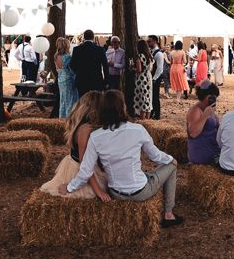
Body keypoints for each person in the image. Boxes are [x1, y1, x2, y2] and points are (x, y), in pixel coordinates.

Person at [59, 91, 183, 227]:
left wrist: (69, 187)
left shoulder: (96, 136)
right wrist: (171, 159)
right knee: (171, 166)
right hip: (140, 192)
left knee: (147, 174)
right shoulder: (138, 129)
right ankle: (169, 214)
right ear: (123, 107)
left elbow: (85, 171)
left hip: (116, 193)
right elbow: (156, 156)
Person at [40, 91, 109, 200]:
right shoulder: (85, 129)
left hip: (82, 164)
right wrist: (99, 191)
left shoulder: (87, 125)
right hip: (81, 169)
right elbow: (84, 163)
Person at [186, 80, 221, 164]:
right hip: (203, 153)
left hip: (212, 148)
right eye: (212, 96)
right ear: (206, 96)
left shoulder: (208, 108)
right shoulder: (195, 111)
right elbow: (193, 133)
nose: (215, 99)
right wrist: (205, 115)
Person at [69, 29, 109, 96]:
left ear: (84, 37)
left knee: (83, 102)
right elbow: (105, 66)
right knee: (96, 102)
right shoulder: (100, 49)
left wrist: (79, 71)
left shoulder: (77, 49)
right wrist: (106, 81)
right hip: (96, 80)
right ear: (93, 38)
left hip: (81, 80)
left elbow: (72, 65)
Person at [55, 36, 78, 117]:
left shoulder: (56, 56)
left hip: (60, 80)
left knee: (63, 101)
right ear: (66, 46)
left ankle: (61, 119)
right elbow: (72, 71)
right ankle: (69, 119)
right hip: (68, 80)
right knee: (70, 101)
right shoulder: (68, 57)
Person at [134, 38, 153, 119]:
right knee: (148, 98)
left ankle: (142, 119)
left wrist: (132, 68)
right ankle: (148, 119)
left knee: (142, 98)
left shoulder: (139, 56)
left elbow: (139, 70)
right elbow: (150, 68)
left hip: (141, 79)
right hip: (148, 77)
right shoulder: (150, 56)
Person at [147, 35, 163, 119]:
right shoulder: (151, 51)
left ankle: (157, 115)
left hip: (156, 77)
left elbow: (160, 68)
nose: (148, 43)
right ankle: (152, 112)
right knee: (151, 96)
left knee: (155, 96)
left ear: (155, 41)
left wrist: (154, 79)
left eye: (149, 41)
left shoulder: (159, 53)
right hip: (152, 77)